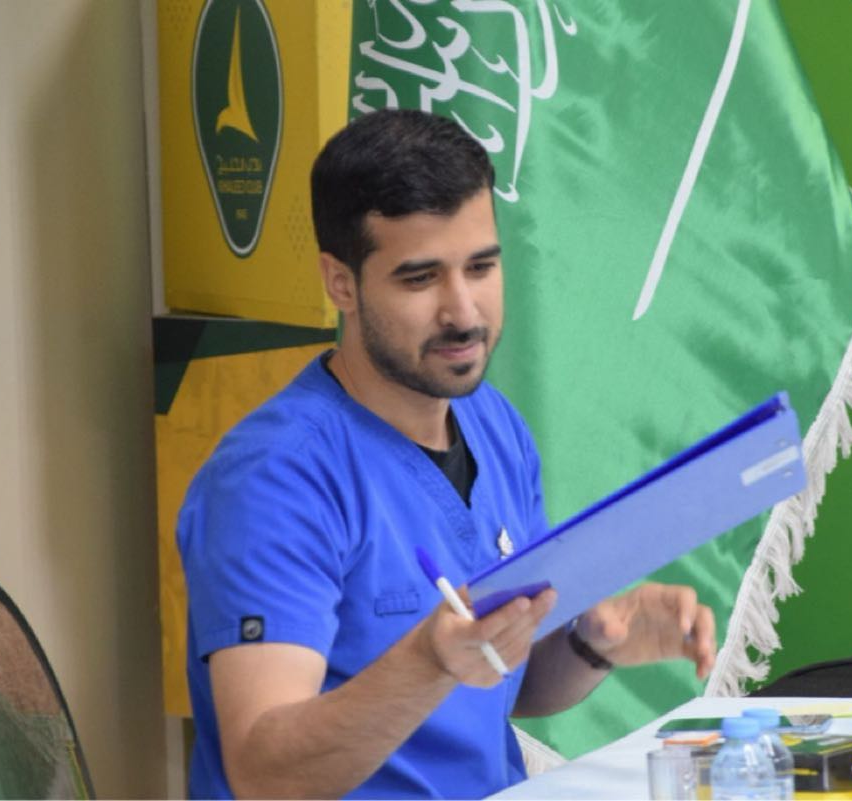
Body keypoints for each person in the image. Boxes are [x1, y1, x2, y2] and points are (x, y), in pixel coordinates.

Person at [177, 109, 717, 800]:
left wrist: (592, 641)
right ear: (341, 282)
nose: (463, 312)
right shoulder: (272, 480)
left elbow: (501, 678)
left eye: (481, 267)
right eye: (420, 278)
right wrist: (428, 658)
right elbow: (266, 774)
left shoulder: (493, 424)